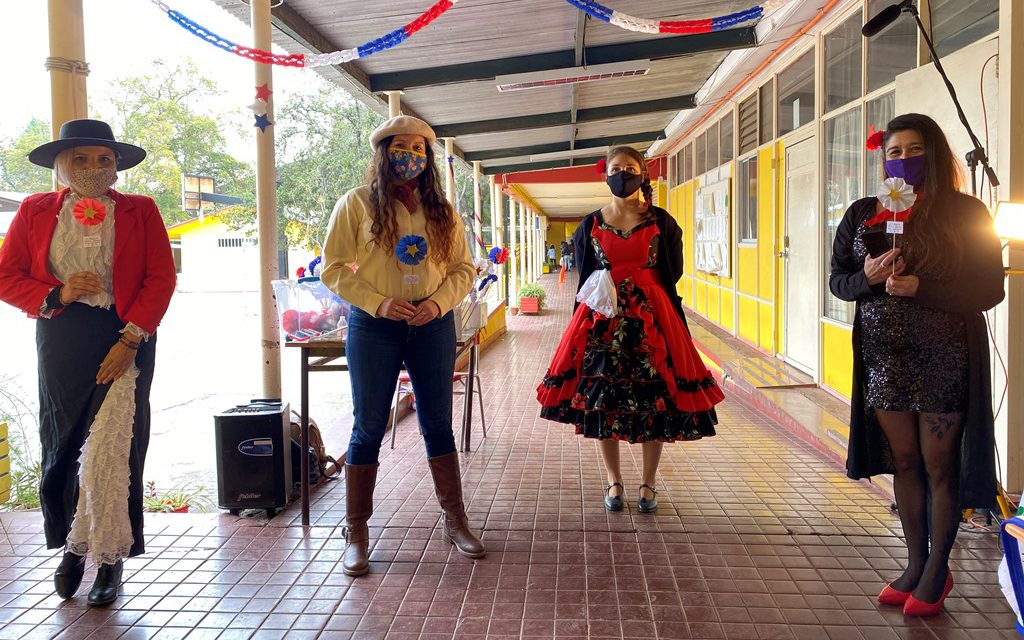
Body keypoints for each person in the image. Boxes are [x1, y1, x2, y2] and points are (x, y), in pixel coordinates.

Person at [829, 113, 1004, 616]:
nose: (903, 160)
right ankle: (915, 562)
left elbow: (990, 288)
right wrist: (866, 277)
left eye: (913, 149)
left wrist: (923, 289)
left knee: (938, 465)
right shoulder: (865, 214)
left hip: (943, 359)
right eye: (893, 152)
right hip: (885, 360)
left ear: (935, 151)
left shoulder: (966, 213)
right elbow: (838, 282)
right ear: (882, 161)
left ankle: (935, 572)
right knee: (904, 463)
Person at [0, 119, 176, 605]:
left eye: (104, 159)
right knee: (64, 444)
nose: (94, 168)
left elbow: (159, 279)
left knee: (114, 449)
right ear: (62, 164)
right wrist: (56, 292)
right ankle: (73, 548)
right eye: (82, 158)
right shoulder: (35, 210)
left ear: (117, 165)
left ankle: (111, 556)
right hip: (61, 333)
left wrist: (131, 338)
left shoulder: (141, 210)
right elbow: (7, 275)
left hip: (126, 333)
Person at [321, 115, 484, 577]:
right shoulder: (355, 204)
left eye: (419, 147)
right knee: (368, 424)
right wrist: (377, 303)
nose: (411, 154)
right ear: (383, 151)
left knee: (438, 422)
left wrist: (437, 305)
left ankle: (456, 520)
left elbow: (463, 270)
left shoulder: (443, 211)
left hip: (431, 324)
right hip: (375, 326)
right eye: (402, 145)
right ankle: (356, 529)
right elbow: (331, 268)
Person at [537, 145, 724, 513]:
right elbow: (585, 273)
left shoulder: (662, 221)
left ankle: (649, 483)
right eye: (616, 168)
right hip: (601, 321)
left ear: (643, 173)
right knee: (601, 401)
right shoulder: (590, 223)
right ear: (604, 174)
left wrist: (643, 290)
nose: (622, 174)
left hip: (654, 320)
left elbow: (674, 271)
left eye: (630, 167)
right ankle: (613, 481)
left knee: (656, 400)